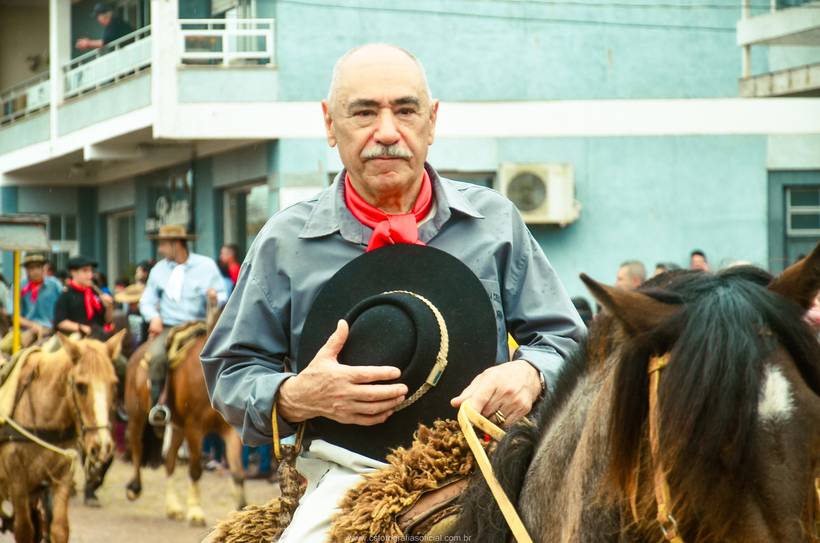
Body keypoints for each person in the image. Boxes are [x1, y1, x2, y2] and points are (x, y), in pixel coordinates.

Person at [201, 43, 585, 542]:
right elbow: (230, 372)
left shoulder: (496, 223)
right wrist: (297, 395)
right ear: (329, 125)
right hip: (345, 475)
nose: (387, 132)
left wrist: (530, 372)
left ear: (432, 121)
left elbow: (571, 343)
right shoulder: (284, 242)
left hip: (490, 461)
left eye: (405, 110)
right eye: (363, 112)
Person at [139, 224, 226, 423]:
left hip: (200, 327)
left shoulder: (206, 266)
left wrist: (215, 297)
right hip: (170, 327)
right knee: (157, 357)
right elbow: (147, 300)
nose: (160, 249)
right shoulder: (158, 270)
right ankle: (157, 406)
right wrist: (154, 317)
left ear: (176, 244)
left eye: (162, 244)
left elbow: (223, 293)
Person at [1, 253, 61, 350]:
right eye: (31, 268)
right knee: (3, 349)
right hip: (25, 331)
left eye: (38, 267)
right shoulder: (17, 286)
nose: (35, 271)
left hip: (52, 330)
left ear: (43, 268)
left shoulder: (55, 285)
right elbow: (14, 316)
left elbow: (62, 308)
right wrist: (33, 326)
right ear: (26, 270)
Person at [53, 256, 114, 337]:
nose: (90, 275)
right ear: (73, 272)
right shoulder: (66, 295)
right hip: (76, 338)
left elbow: (108, 321)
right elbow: (61, 322)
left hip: (98, 337)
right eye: (85, 271)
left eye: (91, 271)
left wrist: (109, 306)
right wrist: (82, 328)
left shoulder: (96, 292)